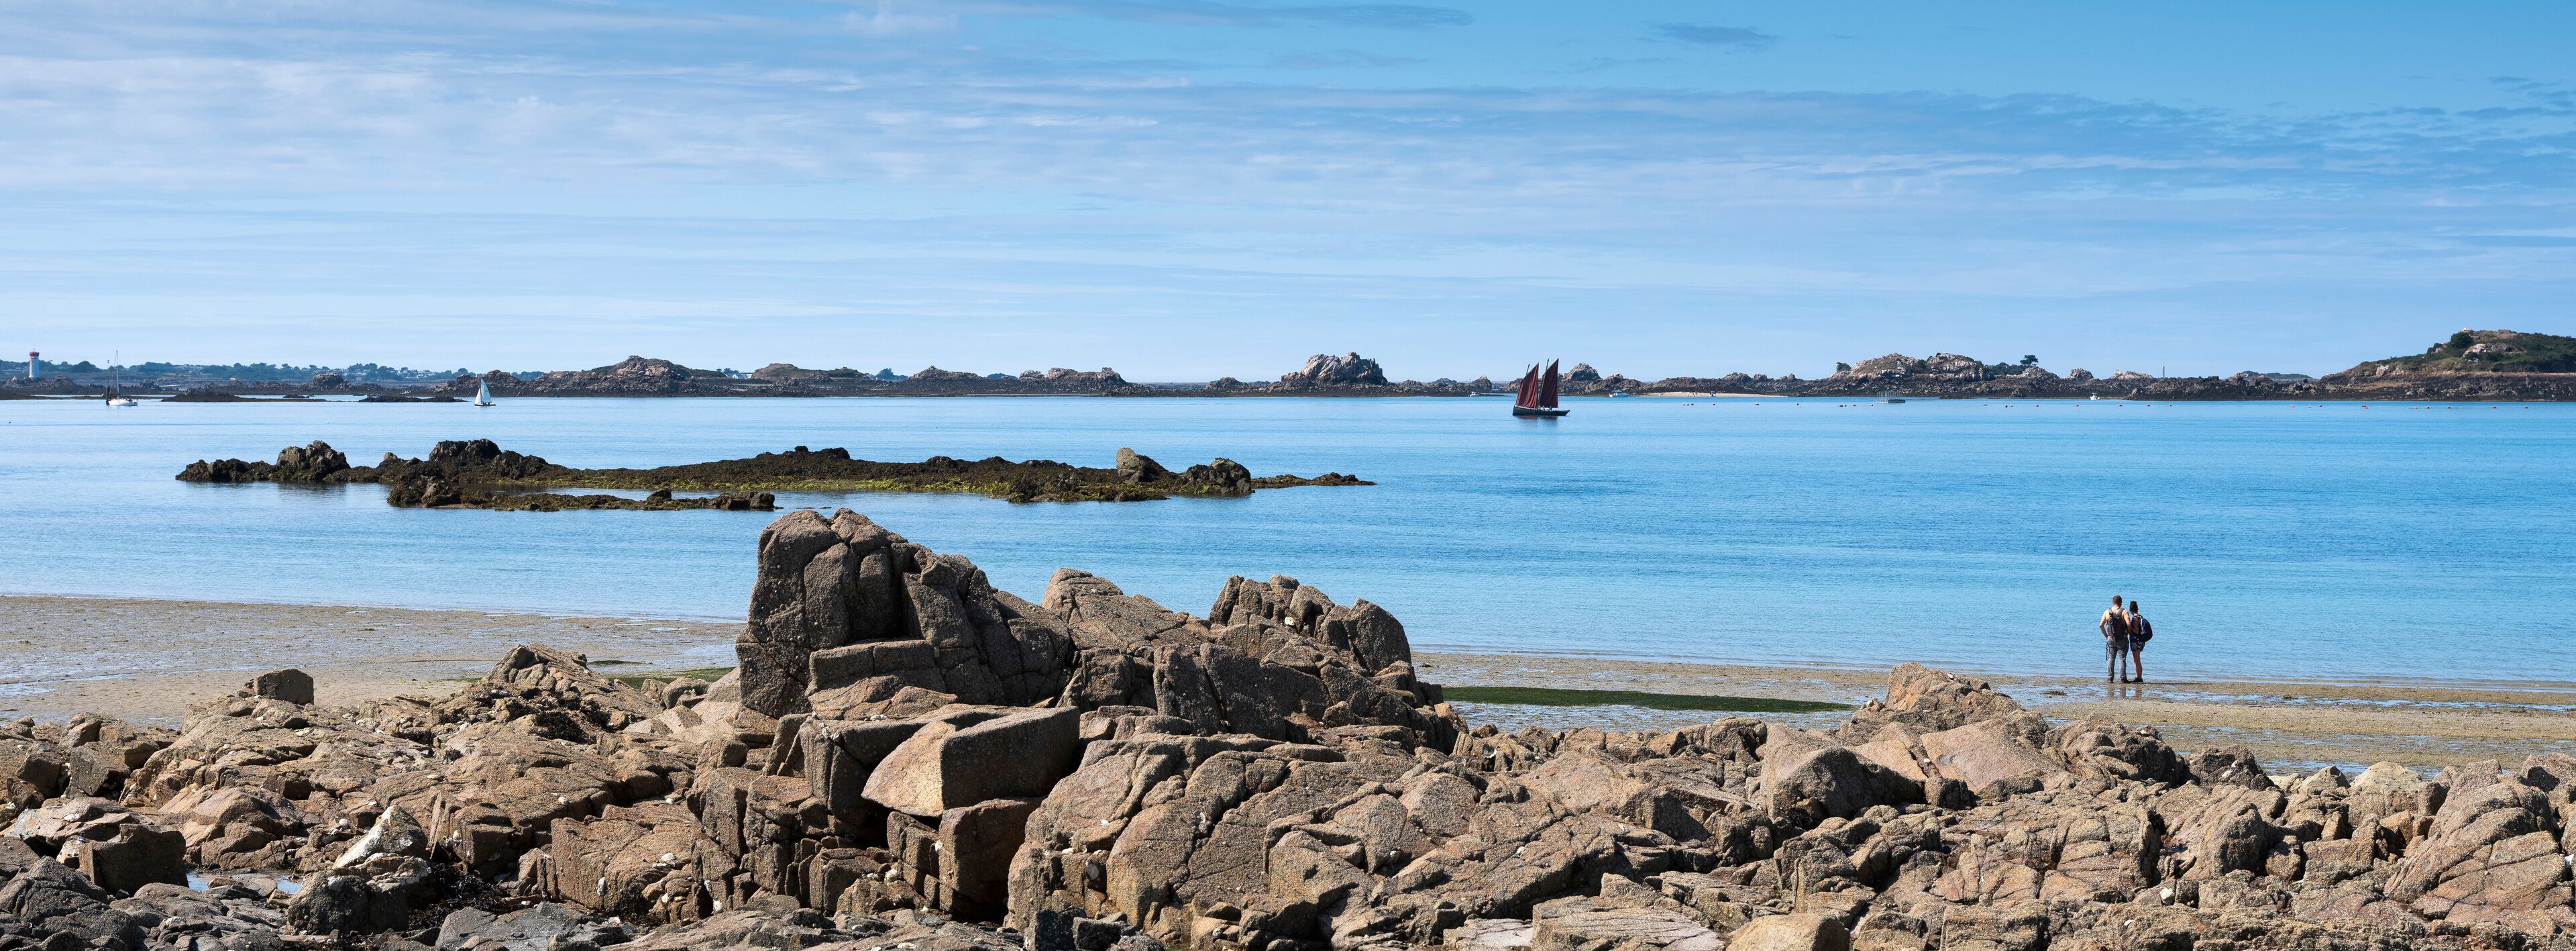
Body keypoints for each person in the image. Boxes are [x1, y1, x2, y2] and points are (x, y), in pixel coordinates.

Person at [2099, 595, 2131, 683]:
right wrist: (2127, 632)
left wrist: (2106, 636)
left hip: (2111, 638)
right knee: (2122, 658)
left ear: (2113, 602)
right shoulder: (2124, 612)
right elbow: (2128, 623)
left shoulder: (2107, 612)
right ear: (2121, 602)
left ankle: (2110, 678)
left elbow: (2101, 625)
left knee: (2111, 658)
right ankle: (2123, 678)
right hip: (2122, 638)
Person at [2125, 601, 2151, 684]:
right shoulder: (2140, 616)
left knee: (2136, 660)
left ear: (2130, 610)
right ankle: (2138, 676)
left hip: (2136, 641)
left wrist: (2129, 628)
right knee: (2135, 659)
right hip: (2140, 641)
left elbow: (2136, 631)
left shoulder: (2135, 618)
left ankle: (2139, 678)